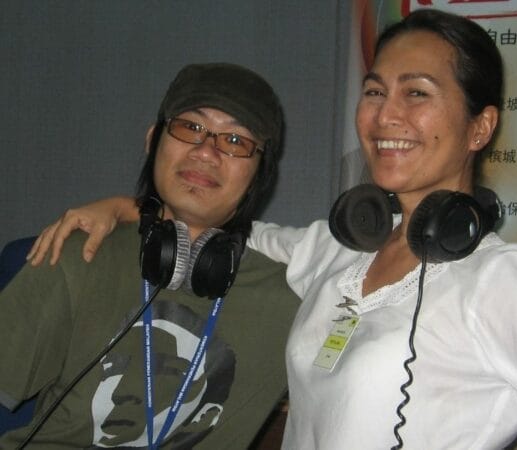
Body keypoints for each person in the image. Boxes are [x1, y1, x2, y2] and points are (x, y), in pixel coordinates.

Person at [25, 10, 517, 449]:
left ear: (480, 127)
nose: (385, 115)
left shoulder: (502, 281)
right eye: (375, 91)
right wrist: (131, 207)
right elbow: (221, 226)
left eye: (417, 93)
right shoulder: (339, 250)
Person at [0, 63, 300, 449]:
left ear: (260, 175)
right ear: (152, 140)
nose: (206, 151)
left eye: (235, 140)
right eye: (190, 126)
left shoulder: (292, 301)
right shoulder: (79, 253)